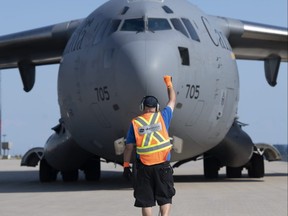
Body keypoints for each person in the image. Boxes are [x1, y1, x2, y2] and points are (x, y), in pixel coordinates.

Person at [123, 76, 176, 216]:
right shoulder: (163, 117)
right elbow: (172, 100)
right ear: (157, 108)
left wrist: (126, 166)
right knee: (165, 198)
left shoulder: (136, 123)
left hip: (144, 168)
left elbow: (128, 147)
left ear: (142, 107)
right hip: (163, 166)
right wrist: (168, 84)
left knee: (146, 201)